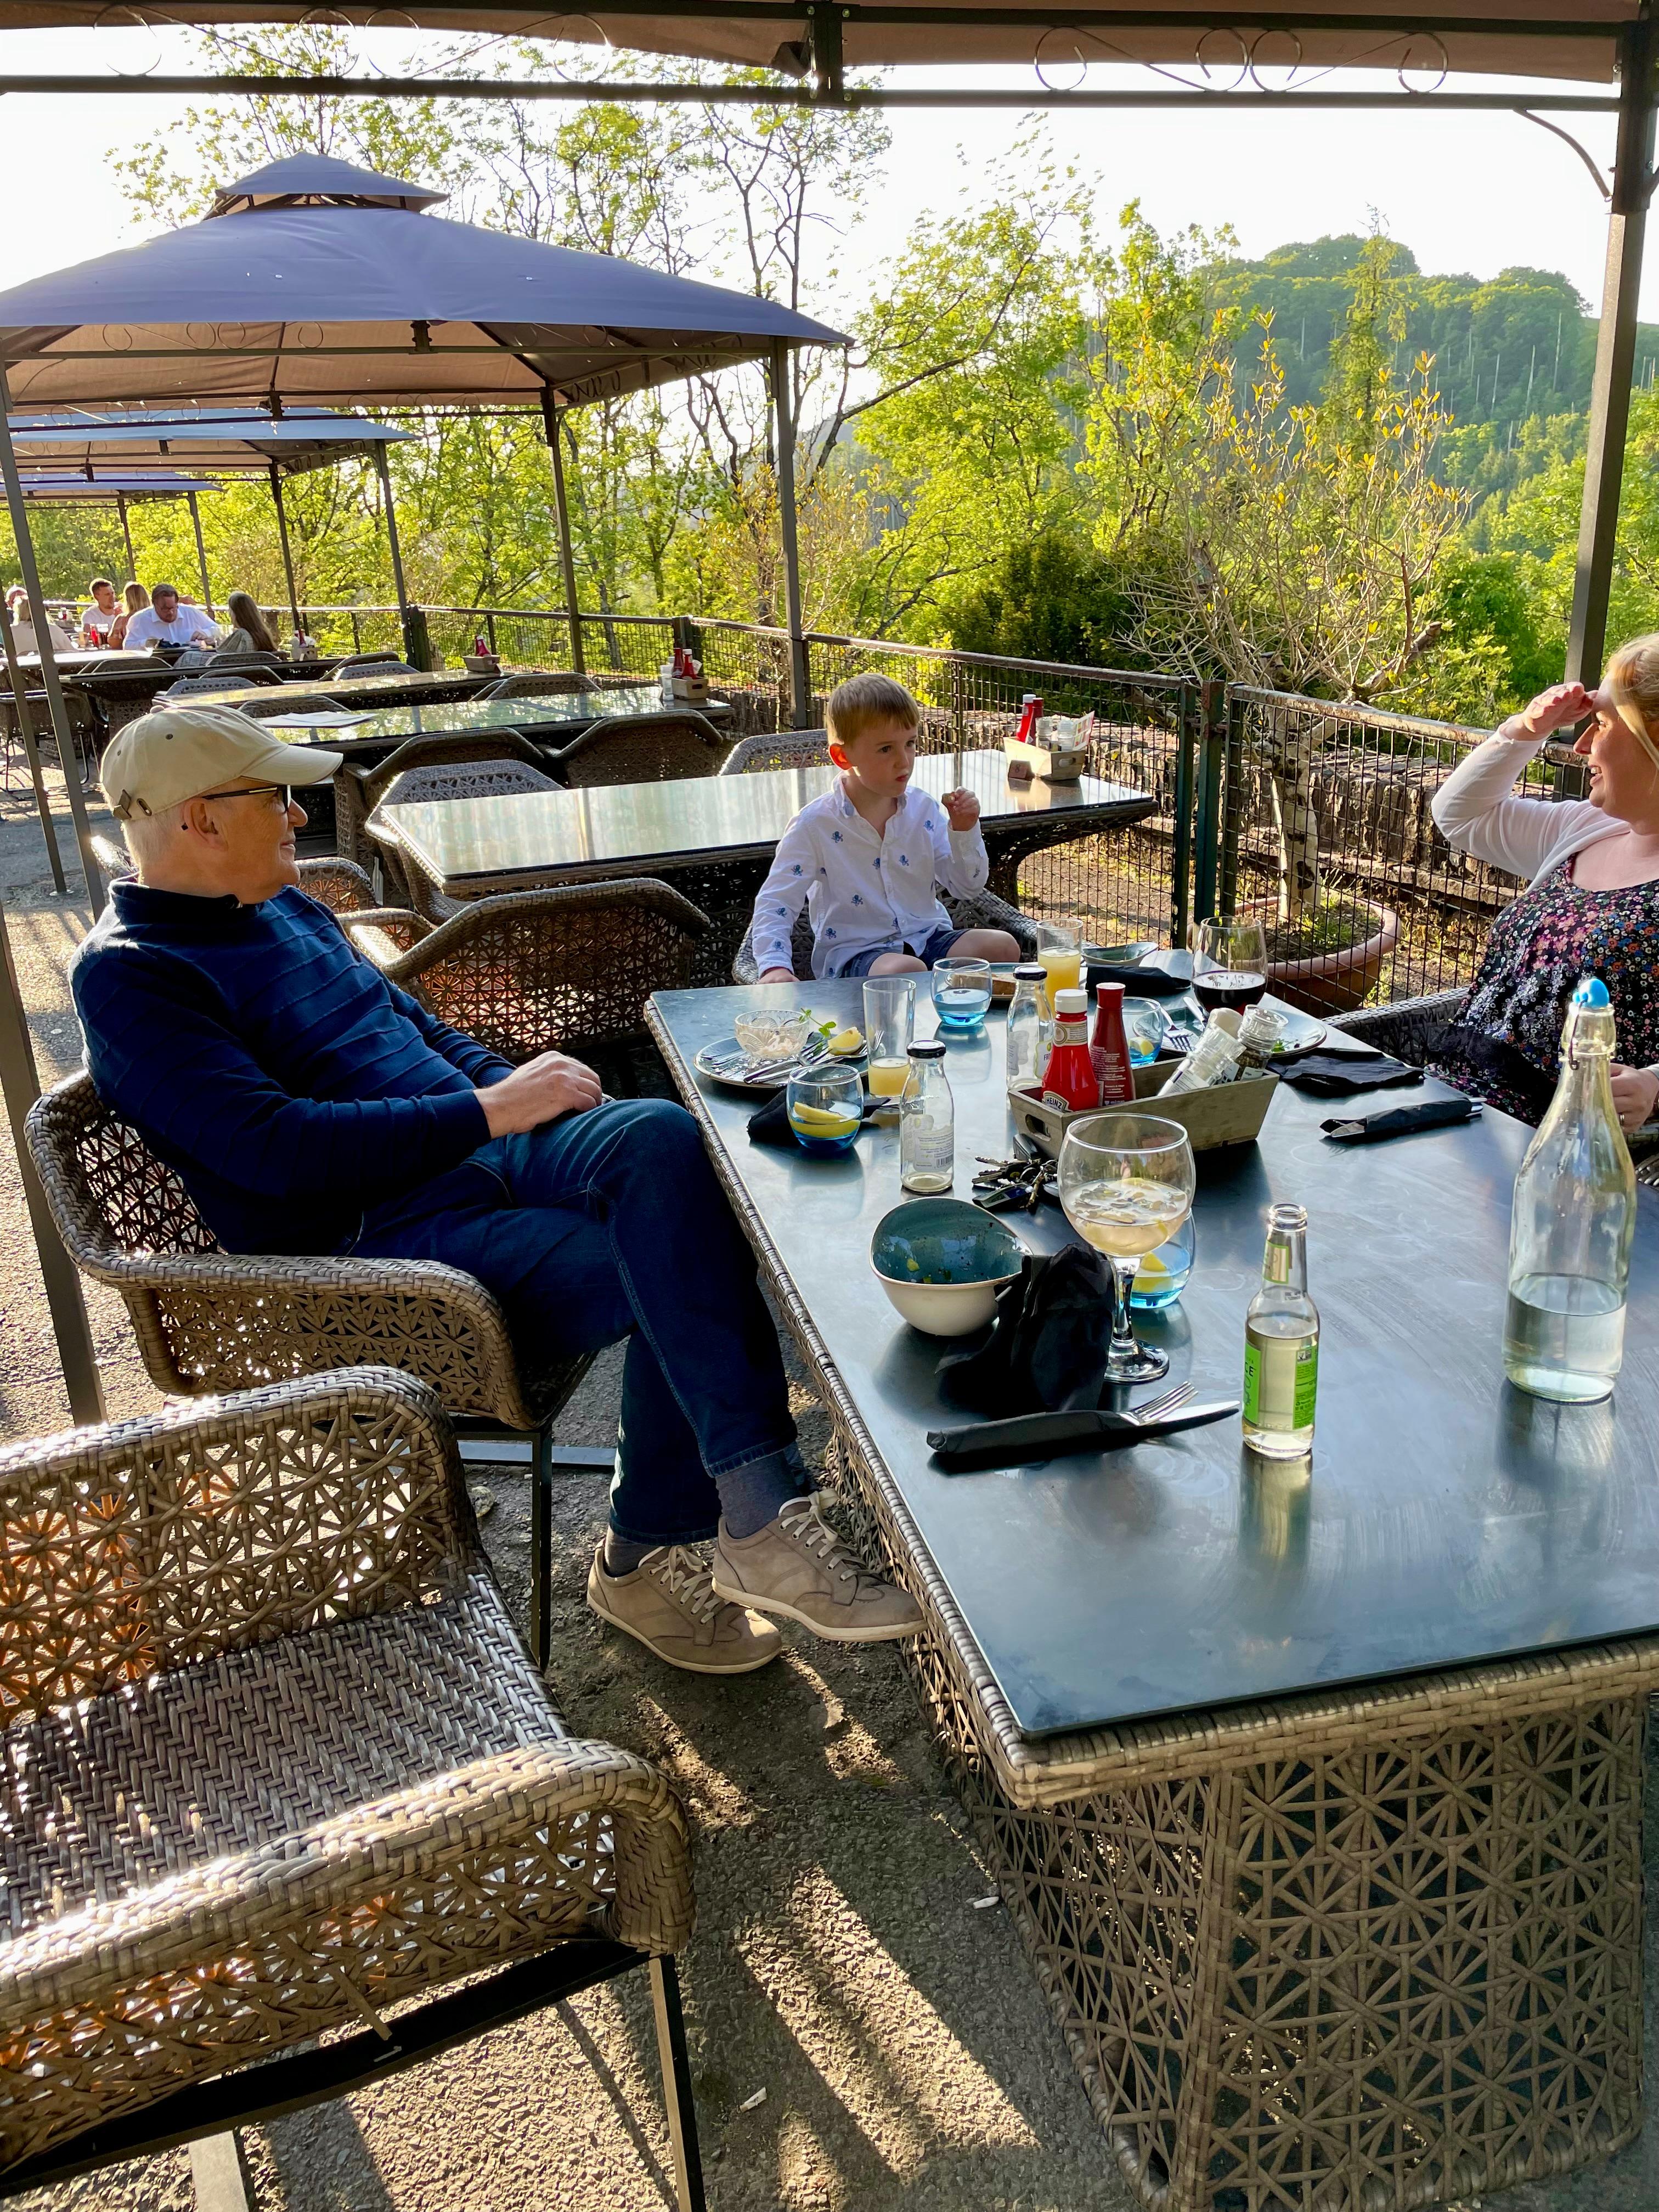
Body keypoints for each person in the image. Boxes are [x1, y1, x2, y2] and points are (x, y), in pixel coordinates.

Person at [70, 704, 921, 1675]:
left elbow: (418, 1033)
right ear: (198, 820)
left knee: (662, 1139)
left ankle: (736, 1521)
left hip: (476, 1159)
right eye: (275, 797)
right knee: (677, 1258)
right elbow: (272, 1149)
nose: (298, 816)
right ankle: (691, 1538)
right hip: (375, 1246)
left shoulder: (287, 907)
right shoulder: (134, 977)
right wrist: (487, 1112)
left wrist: (521, 1091)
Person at [1428, 640, 1659, 1130]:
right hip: (1451, 1109)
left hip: (1557, 1147)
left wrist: (1654, 1085)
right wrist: (1524, 731)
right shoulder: (1585, 827)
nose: (1580, 746)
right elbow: (1460, 816)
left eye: (1600, 724)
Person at [751, 672, 1021, 982]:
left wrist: (964, 831)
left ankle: (958, 1022)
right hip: (857, 956)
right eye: (886, 749)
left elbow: (967, 887)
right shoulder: (815, 825)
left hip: (928, 939)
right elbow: (777, 900)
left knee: (1002, 948)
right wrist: (774, 967)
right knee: (904, 972)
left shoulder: (924, 809)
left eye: (910, 743)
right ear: (842, 756)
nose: (904, 761)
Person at [121, 582, 221, 652]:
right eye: (165, 609)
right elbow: (128, 647)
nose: (171, 612)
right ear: (154, 604)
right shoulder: (139, 620)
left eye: (174, 608)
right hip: (159, 668)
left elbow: (218, 630)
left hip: (191, 665)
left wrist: (206, 633)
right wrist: (147, 643)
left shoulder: (190, 612)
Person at [3, 586, 73, 657]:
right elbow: (73, 653)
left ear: (18, 611)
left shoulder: (10, 632)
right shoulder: (55, 630)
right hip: (53, 667)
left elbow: (7, 656)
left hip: (24, 667)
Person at [215, 591, 280, 657]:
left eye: (230, 611)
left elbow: (219, 659)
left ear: (238, 614)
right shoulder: (263, 634)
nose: (229, 615)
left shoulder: (241, 635)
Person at [108, 582, 149, 651]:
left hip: (129, 656)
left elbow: (113, 643)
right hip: (154, 656)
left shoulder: (122, 619)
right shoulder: (155, 616)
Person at [80, 578, 120, 647]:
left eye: (113, 593)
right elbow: (87, 637)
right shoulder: (89, 615)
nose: (112, 597)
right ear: (96, 597)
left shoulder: (122, 611)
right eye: (107, 594)